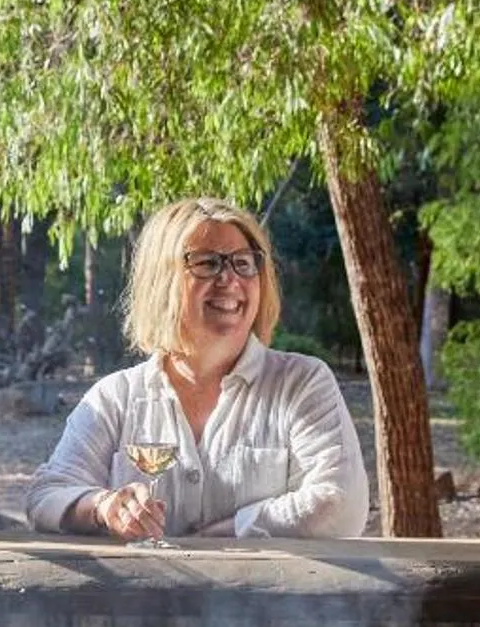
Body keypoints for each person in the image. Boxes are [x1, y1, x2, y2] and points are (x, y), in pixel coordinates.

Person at [26, 197, 367, 540]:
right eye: (207, 263)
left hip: (270, 596)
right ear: (161, 281)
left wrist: (231, 530)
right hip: (145, 594)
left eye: (243, 263)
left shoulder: (302, 383)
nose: (229, 279)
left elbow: (340, 505)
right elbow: (45, 497)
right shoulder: (116, 397)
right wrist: (103, 507)